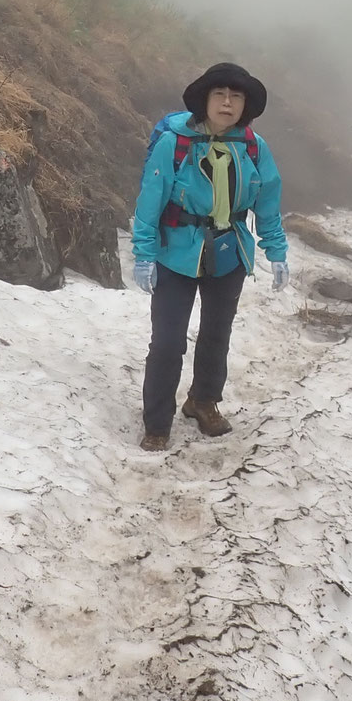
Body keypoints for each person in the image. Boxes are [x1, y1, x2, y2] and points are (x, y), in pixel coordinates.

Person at [131, 62, 289, 451]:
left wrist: (276, 250)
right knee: (168, 341)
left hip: (229, 252)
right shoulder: (175, 143)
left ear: (245, 106)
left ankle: (203, 401)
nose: (228, 102)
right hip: (175, 253)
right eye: (220, 94)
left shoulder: (253, 146)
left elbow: (267, 202)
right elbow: (150, 203)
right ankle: (157, 421)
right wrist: (144, 254)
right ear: (205, 100)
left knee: (217, 335)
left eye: (236, 97)